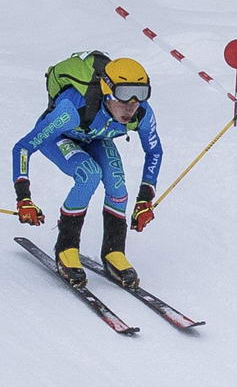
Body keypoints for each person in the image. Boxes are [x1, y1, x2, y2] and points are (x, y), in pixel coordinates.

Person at [11, 55, 163, 288]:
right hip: (60, 137)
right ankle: (66, 249)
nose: (131, 106)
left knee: (117, 185)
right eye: (124, 95)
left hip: (96, 137)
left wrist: (145, 200)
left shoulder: (142, 113)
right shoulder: (71, 109)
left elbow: (154, 152)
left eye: (141, 94)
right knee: (89, 175)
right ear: (107, 90)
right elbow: (23, 147)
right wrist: (24, 198)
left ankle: (114, 252)